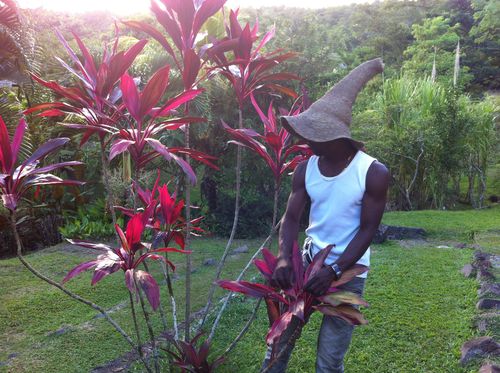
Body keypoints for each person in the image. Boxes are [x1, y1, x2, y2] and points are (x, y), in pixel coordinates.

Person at [262, 58, 390, 373]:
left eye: (312, 134)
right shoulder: (305, 169)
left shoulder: (372, 172)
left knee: (329, 361)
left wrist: (332, 271)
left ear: (335, 136)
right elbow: (291, 219)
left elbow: (367, 230)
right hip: (307, 262)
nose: (305, 140)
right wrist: (283, 258)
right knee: (277, 345)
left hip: (347, 273)